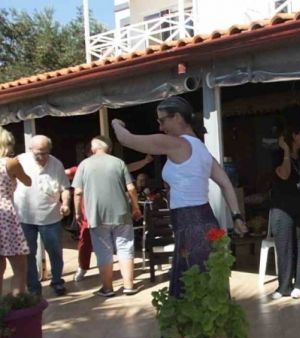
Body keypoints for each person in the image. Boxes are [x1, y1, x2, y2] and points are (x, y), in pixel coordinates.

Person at [111, 96, 248, 298]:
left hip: (189, 222)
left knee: (192, 291)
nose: (160, 127)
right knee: (208, 287)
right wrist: (236, 216)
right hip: (205, 220)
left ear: (177, 117)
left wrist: (116, 122)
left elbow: (126, 139)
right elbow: (226, 183)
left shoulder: (176, 144)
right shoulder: (201, 149)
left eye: (162, 120)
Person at [72, 136, 142, 297]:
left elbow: (77, 192)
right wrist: (136, 207)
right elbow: (131, 188)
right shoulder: (119, 163)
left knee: (103, 251)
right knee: (125, 247)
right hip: (121, 213)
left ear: (92, 149)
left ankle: (107, 288)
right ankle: (129, 286)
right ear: (109, 148)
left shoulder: (84, 165)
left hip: (96, 215)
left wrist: (78, 213)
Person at [13, 135, 71, 296]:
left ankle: (57, 281)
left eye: (45, 153)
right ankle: (33, 287)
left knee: (55, 252)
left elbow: (65, 188)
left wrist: (66, 203)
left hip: (51, 217)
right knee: (28, 253)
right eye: (37, 153)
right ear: (30, 150)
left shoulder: (56, 164)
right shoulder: (20, 161)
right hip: (25, 217)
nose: (41, 157)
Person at [270, 125, 300, 300]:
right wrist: (285, 152)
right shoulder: (277, 155)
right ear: (293, 135)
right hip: (282, 206)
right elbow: (284, 174)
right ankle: (284, 286)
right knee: (284, 244)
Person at [0, 127, 32, 296]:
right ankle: (17, 303)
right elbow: (28, 181)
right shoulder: (10, 163)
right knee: (20, 266)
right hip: (5, 214)